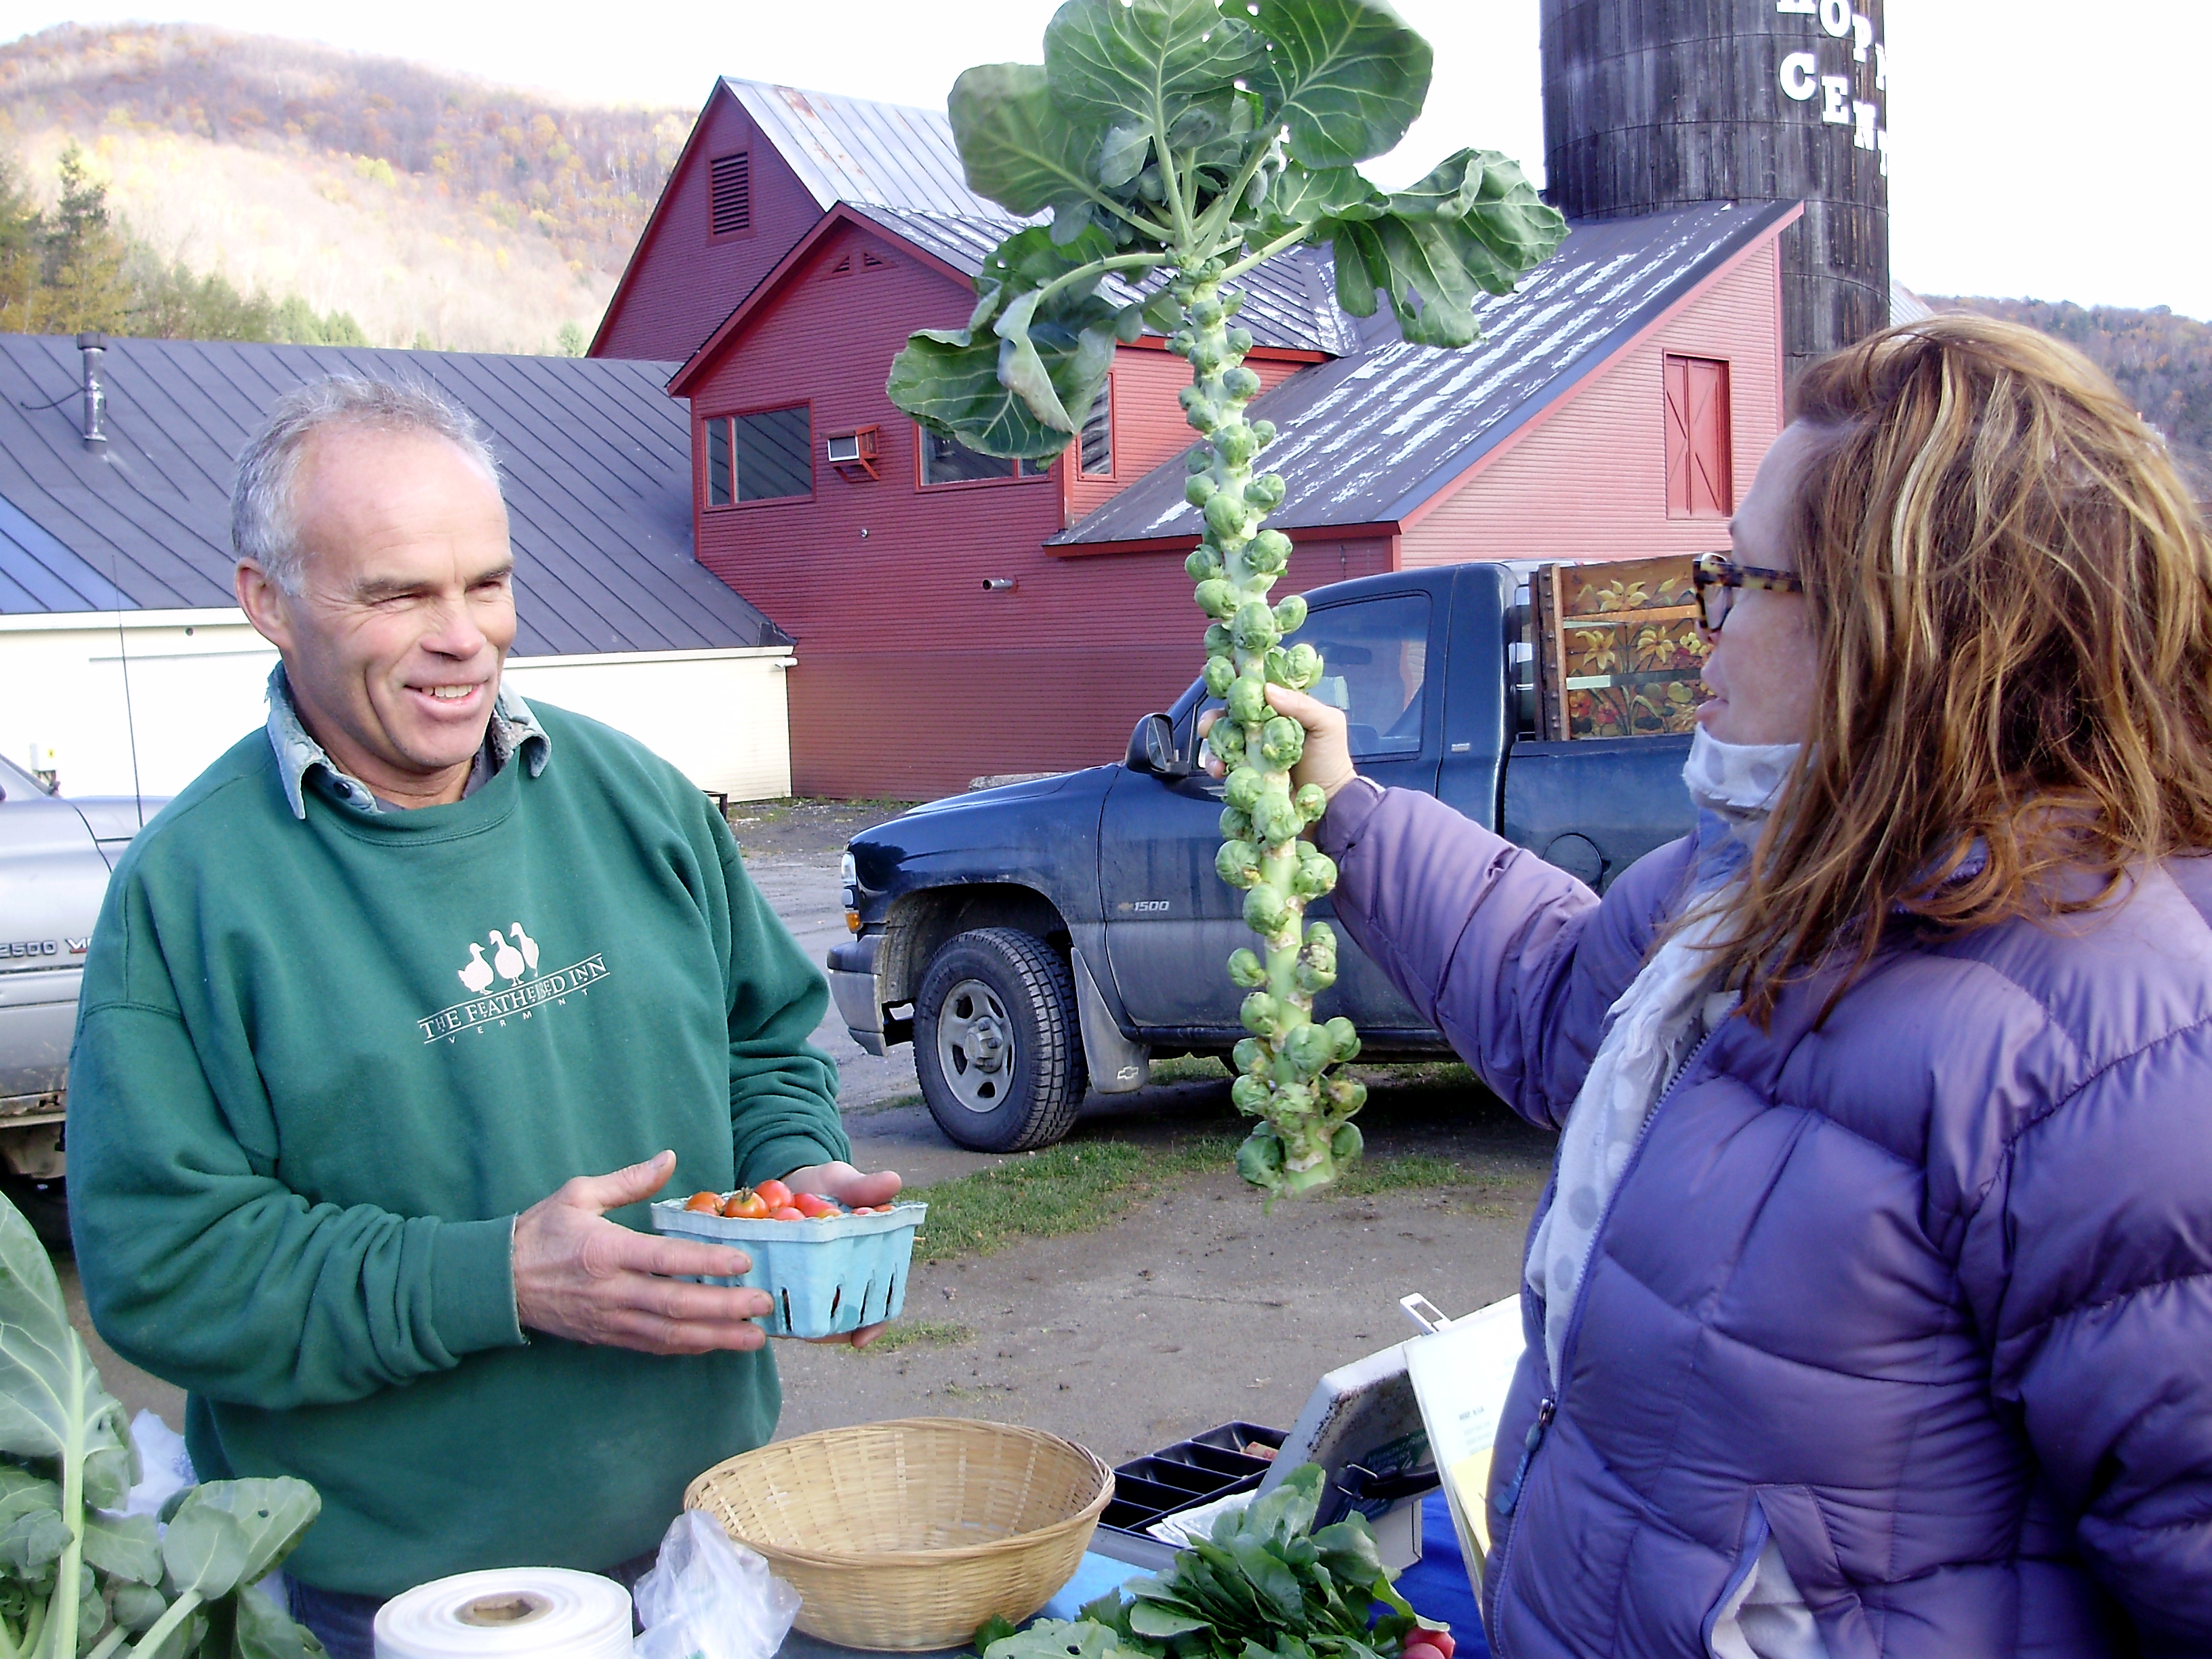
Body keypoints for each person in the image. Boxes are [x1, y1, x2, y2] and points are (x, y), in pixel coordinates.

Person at [1222, 317, 2212, 1654]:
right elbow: (1556, 994)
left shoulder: (2116, 1057)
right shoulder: (1749, 887)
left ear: (1903, 630)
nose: (1708, 628)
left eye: (1739, 582)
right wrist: (1346, 811)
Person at [66, 377, 898, 1658]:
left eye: (486, 584)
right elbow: (169, 1270)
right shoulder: (190, 891)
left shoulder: (639, 800)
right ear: (267, 603)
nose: (463, 636)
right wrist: (499, 1279)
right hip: (383, 1603)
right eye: (398, 594)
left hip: (712, 1549)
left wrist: (792, 1183)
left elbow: (763, 1045)